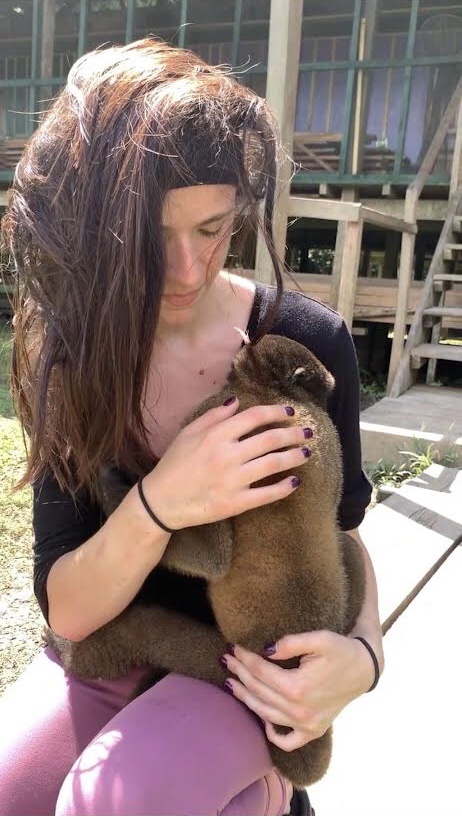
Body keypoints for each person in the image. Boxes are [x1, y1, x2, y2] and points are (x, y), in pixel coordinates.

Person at [0, 38, 384, 816]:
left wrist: (365, 657)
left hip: (251, 673)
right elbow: (69, 608)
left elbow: (342, 535)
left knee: (118, 801)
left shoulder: (306, 344)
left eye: (212, 229)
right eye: (151, 237)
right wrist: (162, 504)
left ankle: (270, 790)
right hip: (118, 647)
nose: (186, 269)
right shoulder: (73, 356)